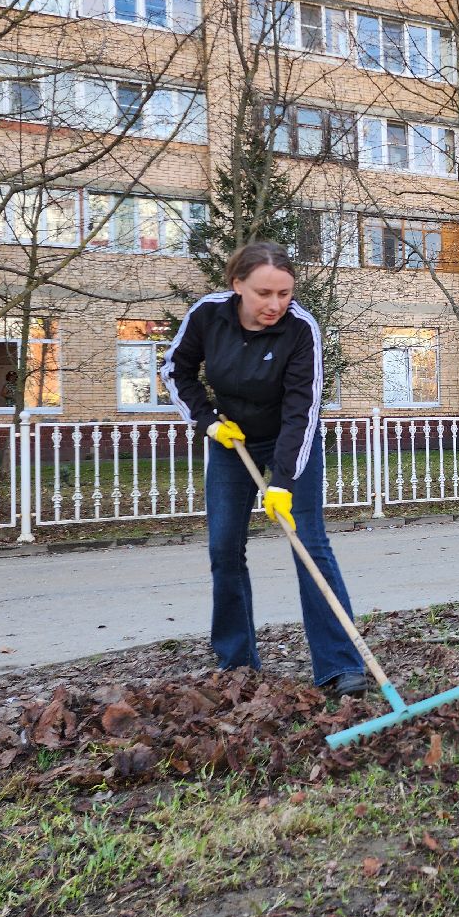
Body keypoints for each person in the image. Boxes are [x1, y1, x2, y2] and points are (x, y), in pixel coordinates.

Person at [161, 241, 370, 695]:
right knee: (224, 551)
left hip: (289, 441)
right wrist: (207, 422)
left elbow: (303, 409)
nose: (275, 304)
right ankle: (237, 663)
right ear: (237, 285)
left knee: (308, 544)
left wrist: (284, 481)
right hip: (231, 442)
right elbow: (175, 372)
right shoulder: (207, 315)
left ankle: (340, 665)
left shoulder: (301, 329)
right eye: (264, 293)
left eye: (285, 293)